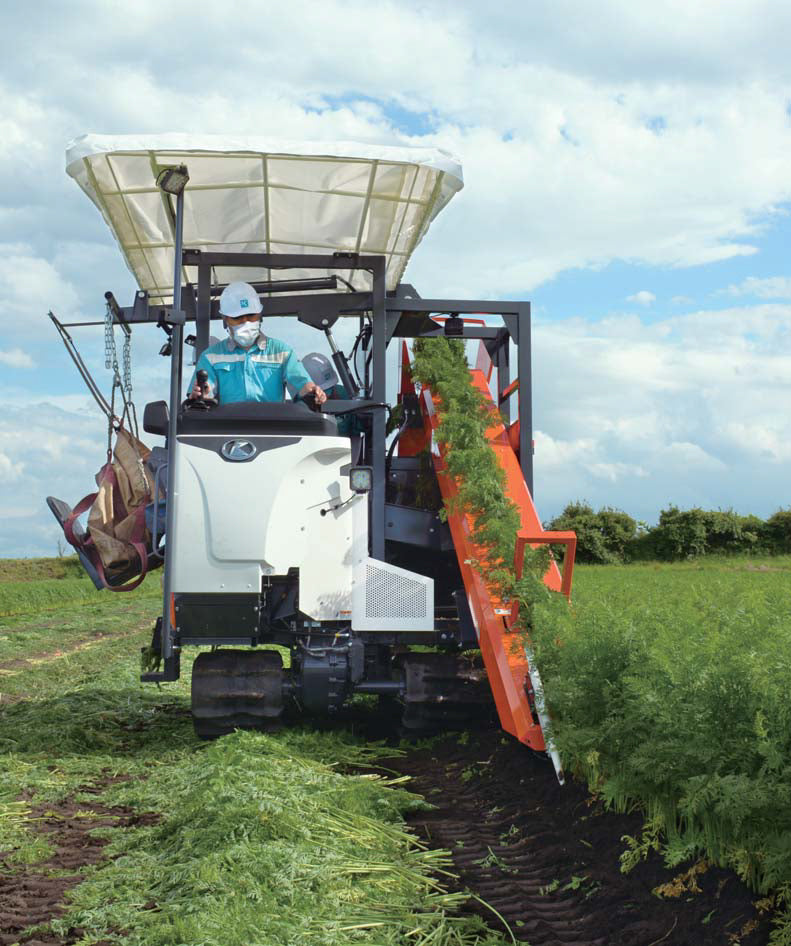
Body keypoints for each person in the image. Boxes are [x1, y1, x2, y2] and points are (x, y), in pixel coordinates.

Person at [188, 281, 327, 406]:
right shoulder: (210, 357)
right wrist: (201, 396)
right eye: (238, 318)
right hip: (228, 430)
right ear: (225, 319)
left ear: (260, 315)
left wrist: (313, 391)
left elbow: (303, 385)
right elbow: (205, 394)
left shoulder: (282, 352)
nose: (246, 322)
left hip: (273, 430)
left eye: (251, 315)